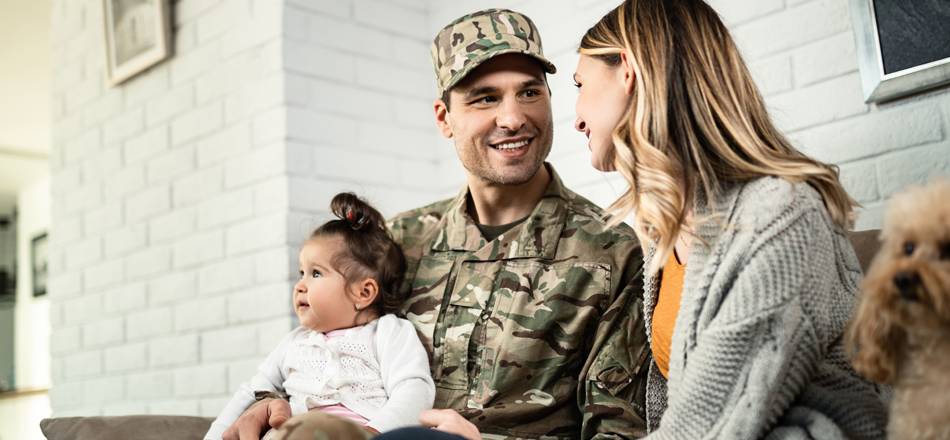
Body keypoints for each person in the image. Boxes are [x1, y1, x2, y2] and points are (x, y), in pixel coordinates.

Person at [224, 8, 650, 440]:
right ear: (444, 118)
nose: (513, 118)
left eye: (529, 93)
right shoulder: (398, 241)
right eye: (485, 98)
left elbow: (620, 434)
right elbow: (324, 348)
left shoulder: (610, 251)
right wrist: (267, 401)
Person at [572, 0, 889, 438]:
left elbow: (710, 426)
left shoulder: (780, 214)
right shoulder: (667, 226)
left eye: (579, 84)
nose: (576, 119)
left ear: (626, 71)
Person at [209, 193, 435, 440]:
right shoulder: (295, 341)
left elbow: (413, 389)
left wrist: (375, 433)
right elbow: (251, 392)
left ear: (364, 292)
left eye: (315, 274)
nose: (300, 285)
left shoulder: (389, 332)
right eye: (301, 272)